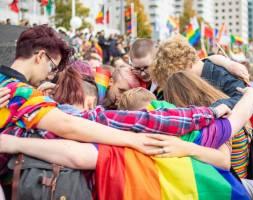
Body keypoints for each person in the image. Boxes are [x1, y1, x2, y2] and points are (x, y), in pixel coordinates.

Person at [0, 76, 253, 199]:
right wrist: (252, 94)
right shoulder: (197, 131)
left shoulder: (119, 144)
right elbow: (226, 153)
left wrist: (14, 143)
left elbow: (77, 156)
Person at [0, 25, 226, 156]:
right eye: (52, 66)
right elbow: (69, 125)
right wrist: (132, 140)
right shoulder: (18, 92)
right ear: (40, 56)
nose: (50, 74)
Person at [130, 37, 249, 102]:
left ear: (183, 67)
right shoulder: (192, 76)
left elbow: (250, 101)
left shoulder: (221, 75)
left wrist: (215, 110)